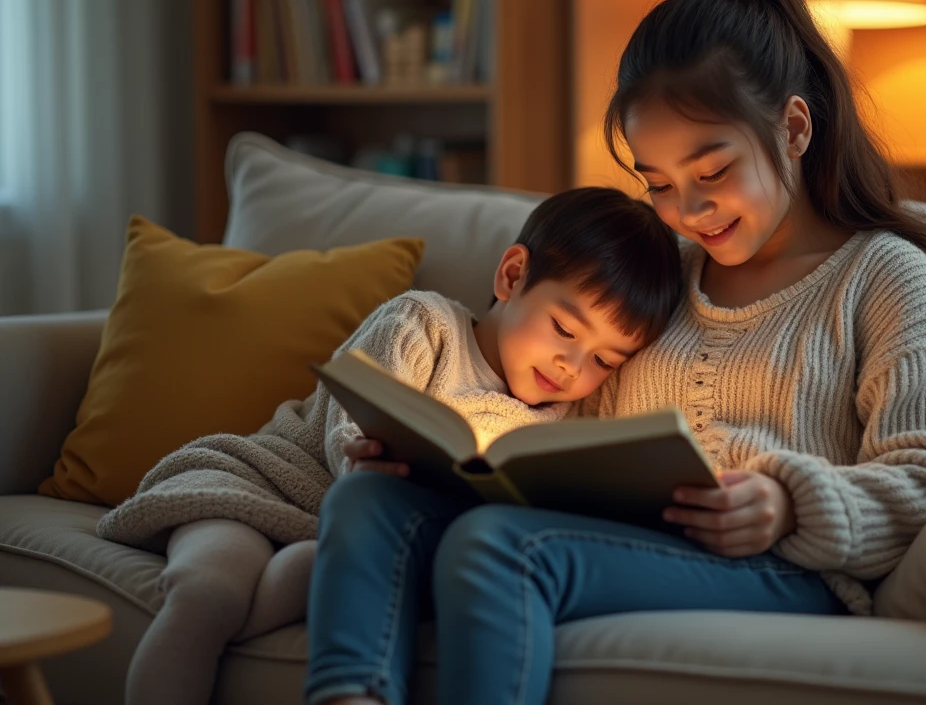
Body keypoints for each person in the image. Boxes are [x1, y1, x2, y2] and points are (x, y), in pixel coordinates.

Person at [307, 0, 926, 705]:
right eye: (658, 183)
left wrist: (791, 503)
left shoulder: (885, 276)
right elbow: (564, 414)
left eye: (712, 171)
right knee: (368, 500)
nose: (688, 210)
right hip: (614, 537)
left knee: (497, 549)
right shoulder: (662, 277)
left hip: (779, 568)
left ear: (794, 129)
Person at [98, 186, 683, 705]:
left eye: (605, 360)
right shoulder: (423, 323)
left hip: (354, 542)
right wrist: (364, 451)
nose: (572, 364)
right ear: (511, 276)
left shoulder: (560, 419)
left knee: (301, 573)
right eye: (564, 329)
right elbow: (353, 414)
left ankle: (304, 571)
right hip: (262, 480)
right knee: (207, 592)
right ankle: (261, 582)